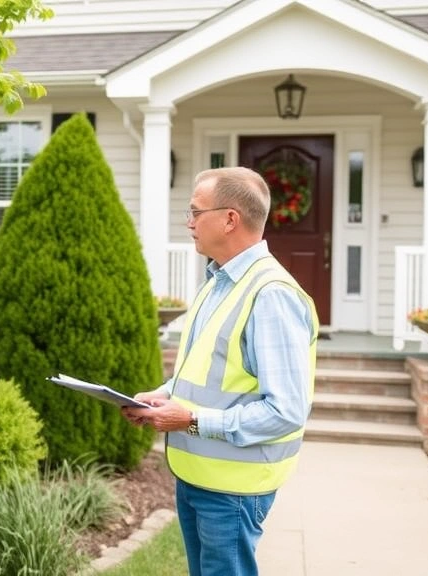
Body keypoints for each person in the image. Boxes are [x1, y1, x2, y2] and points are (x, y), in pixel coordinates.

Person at [122, 166, 318, 576]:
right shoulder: (218, 281)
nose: (189, 222)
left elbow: (286, 411)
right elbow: (207, 368)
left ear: (230, 219)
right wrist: (164, 394)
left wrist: (191, 420)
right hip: (198, 476)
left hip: (233, 489)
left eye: (196, 211)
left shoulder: (271, 295)